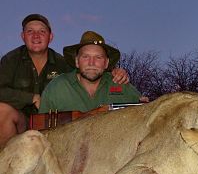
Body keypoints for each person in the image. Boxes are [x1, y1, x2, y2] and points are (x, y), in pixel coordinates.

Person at [0, 14, 129, 148]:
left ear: (50, 37)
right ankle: (5, 164)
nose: (36, 36)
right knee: (2, 111)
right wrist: (31, 98)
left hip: (54, 124)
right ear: (23, 36)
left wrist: (114, 72)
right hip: (22, 123)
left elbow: (89, 70)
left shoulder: (63, 63)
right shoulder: (10, 60)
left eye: (42, 31)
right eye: (30, 31)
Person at [39, 30, 142, 113]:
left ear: (106, 63)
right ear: (77, 62)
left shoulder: (121, 85)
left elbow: (144, 109)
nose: (91, 63)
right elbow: (41, 130)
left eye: (98, 57)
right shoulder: (57, 88)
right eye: (85, 57)